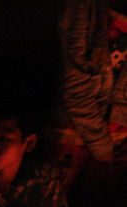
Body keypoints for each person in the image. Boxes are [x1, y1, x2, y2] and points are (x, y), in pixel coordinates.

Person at [53, 0, 127, 189]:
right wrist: (100, 143)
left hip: (118, 140)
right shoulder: (85, 8)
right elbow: (74, 84)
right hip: (73, 132)